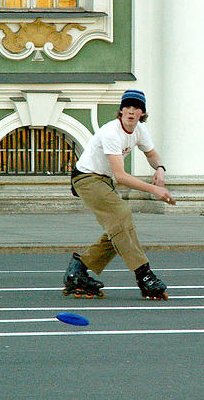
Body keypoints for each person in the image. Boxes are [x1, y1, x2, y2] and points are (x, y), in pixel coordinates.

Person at [63, 89, 175, 300]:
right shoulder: (111, 132)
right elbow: (120, 176)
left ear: (142, 113)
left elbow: (151, 153)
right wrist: (154, 190)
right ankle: (144, 275)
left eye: (136, 108)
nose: (131, 112)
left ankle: (78, 270)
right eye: (128, 107)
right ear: (121, 110)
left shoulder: (140, 130)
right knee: (122, 215)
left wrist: (160, 168)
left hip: (103, 180)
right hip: (86, 178)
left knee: (120, 227)